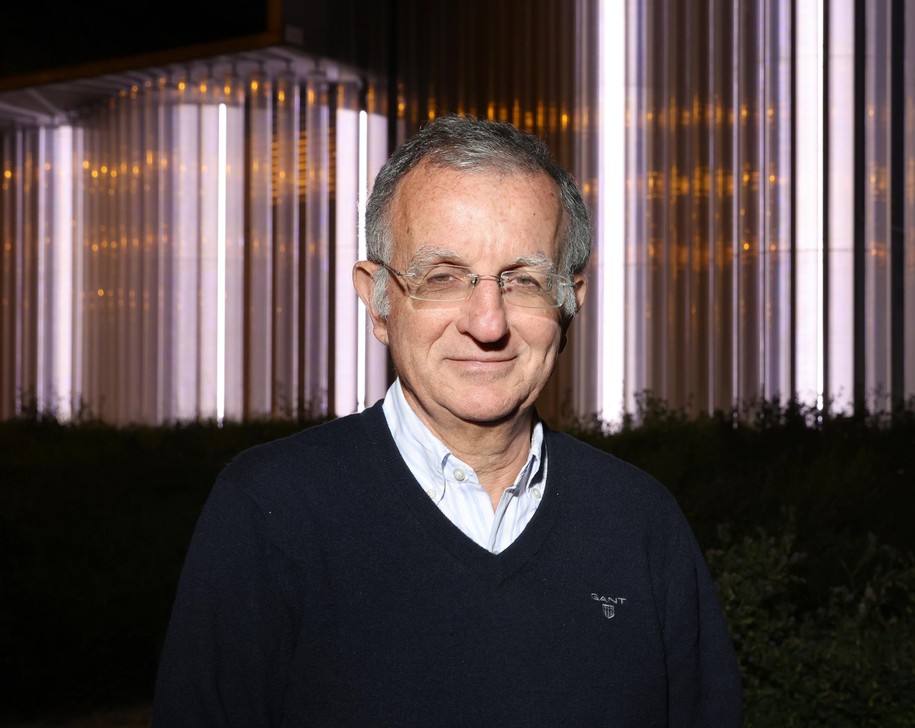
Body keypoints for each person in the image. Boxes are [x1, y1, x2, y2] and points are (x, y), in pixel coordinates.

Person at [153, 116, 743, 727]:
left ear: (569, 301)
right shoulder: (269, 512)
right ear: (378, 302)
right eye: (442, 277)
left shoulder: (640, 525)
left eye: (522, 280)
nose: (487, 323)